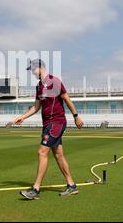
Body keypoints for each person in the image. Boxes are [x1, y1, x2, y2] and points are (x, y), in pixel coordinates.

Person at [13, 59, 84, 199]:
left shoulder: (54, 81)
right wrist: (22, 117)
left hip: (56, 122)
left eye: (33, 69)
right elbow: (36, 106)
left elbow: (66, 98)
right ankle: (72, 185)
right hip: (48, 124)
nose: (32, 73)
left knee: (42, 152)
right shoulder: (39, 86)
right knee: (58, 155)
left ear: (40, 67)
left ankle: (36, 189)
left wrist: (76, 116)